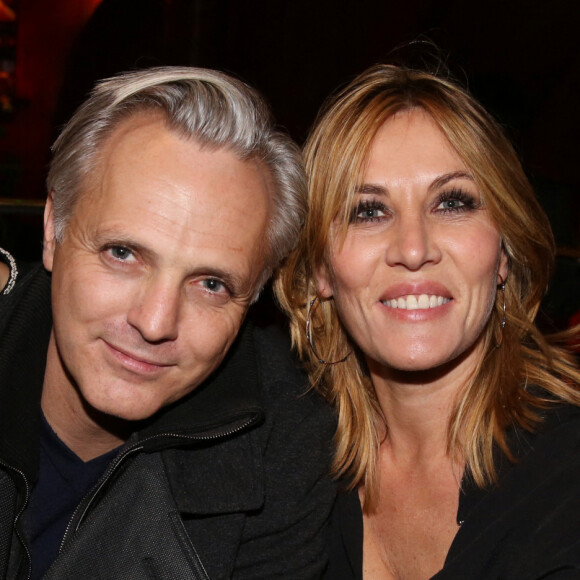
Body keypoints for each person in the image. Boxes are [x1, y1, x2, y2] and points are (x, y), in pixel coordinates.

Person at [0, 66, 336, 579]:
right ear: (52, 228)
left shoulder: (284, 445)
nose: (155, 322)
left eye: (211, 284)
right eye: (122, 253)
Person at [275, 63, 580, 579]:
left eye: (452, 202)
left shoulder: (565, 476)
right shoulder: (283, 470)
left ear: (502, 252)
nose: (413, 249)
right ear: (320, 269)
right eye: (368, 211)